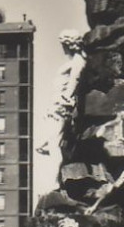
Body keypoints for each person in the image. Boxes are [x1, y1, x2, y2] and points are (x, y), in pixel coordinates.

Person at [36, 31, 86, 159]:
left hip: (62, 105)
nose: (62, 47)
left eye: (63, 44)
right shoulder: (76, 60)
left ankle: (55, 178)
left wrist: (66, 98)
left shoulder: (78, 60)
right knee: (53, 142)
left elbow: (76, 79)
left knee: (54, 145)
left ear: (69, 44)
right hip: (58, 103)